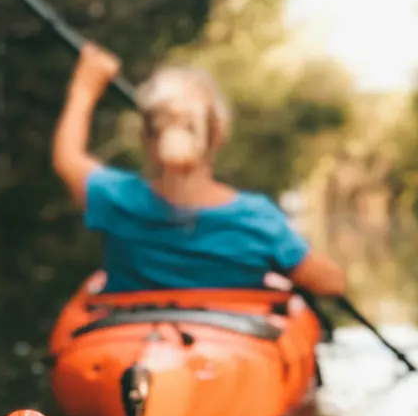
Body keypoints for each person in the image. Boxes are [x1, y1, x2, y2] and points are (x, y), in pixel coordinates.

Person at [51, 42, 347, 297]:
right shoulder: (257, 221)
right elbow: (330, 284)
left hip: (132, 351)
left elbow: (68, 158)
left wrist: (84, 88)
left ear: (146, 137)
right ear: (219, 135)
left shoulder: (118, 200)